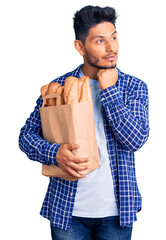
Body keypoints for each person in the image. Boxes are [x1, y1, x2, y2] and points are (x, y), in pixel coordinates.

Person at [19, 5, 149, 240]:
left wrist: (108, 90)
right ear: (80, 46)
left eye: (114, 38)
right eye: (100, 41)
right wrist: (54, 152)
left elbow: (135, 139)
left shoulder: (133, 87)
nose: (111, 48)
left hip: (117, 213)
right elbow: (26, 136)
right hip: (67, 211)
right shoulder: (57, 88)